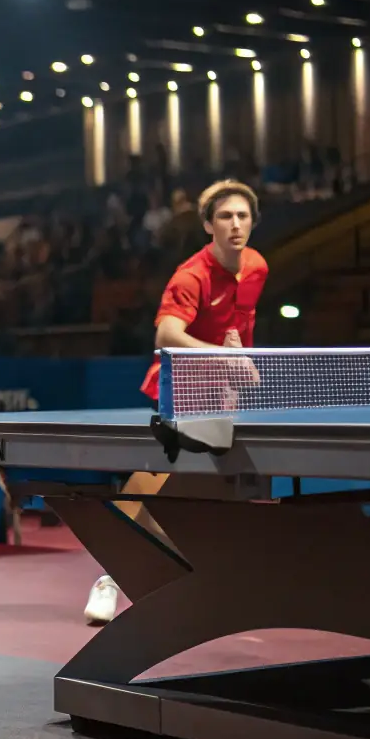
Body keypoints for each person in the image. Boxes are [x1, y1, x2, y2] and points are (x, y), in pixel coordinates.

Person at [83, 180, 267, 625]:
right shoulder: (191, 276)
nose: (235, 224)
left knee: (221, 482)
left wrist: (237, 355)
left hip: (222, 390)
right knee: (153, 480)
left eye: (243, 216)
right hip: (178, 387)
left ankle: (196, 573)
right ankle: (109, 577)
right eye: (225, 216)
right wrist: (222, 355)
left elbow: (237, 322)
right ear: (208, 224)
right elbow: (166, 334)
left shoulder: (257, 266)